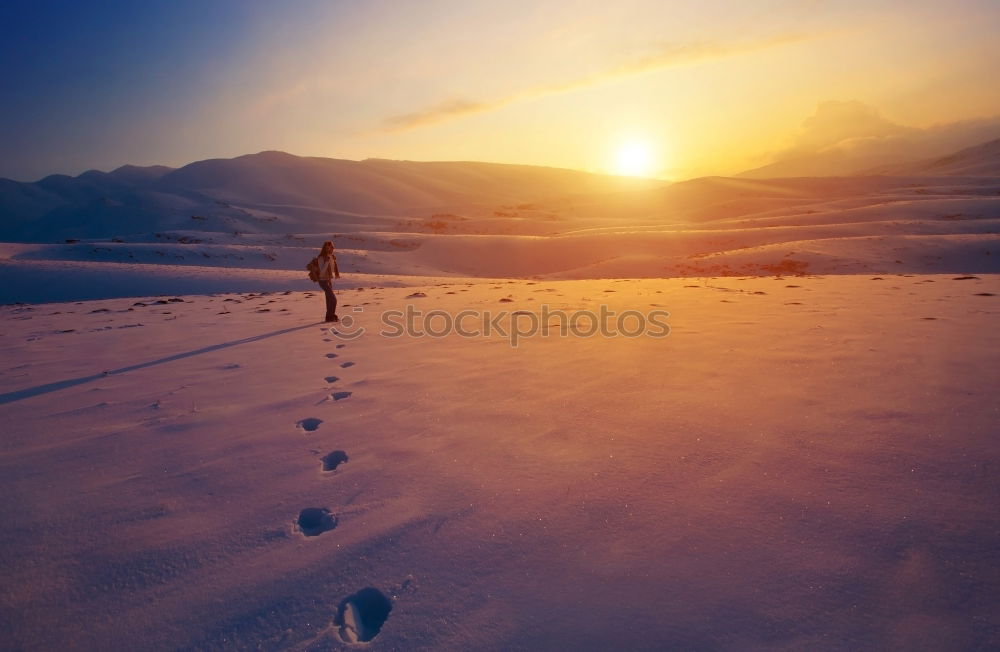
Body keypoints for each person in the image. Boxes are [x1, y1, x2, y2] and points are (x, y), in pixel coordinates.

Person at [312, 240, 341, 322]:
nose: (332, 249)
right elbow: (322, 272)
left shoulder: (331, 257)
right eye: (330, 247)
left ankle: (329, 317)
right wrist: (327, 261)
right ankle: (331, 316)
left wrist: (332, 262)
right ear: (326, 248)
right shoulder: (321, 258)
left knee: (329, 300)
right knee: (333, 299)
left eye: (332, 247)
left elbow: (333, 268)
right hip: (323, 281)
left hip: (328, 280)